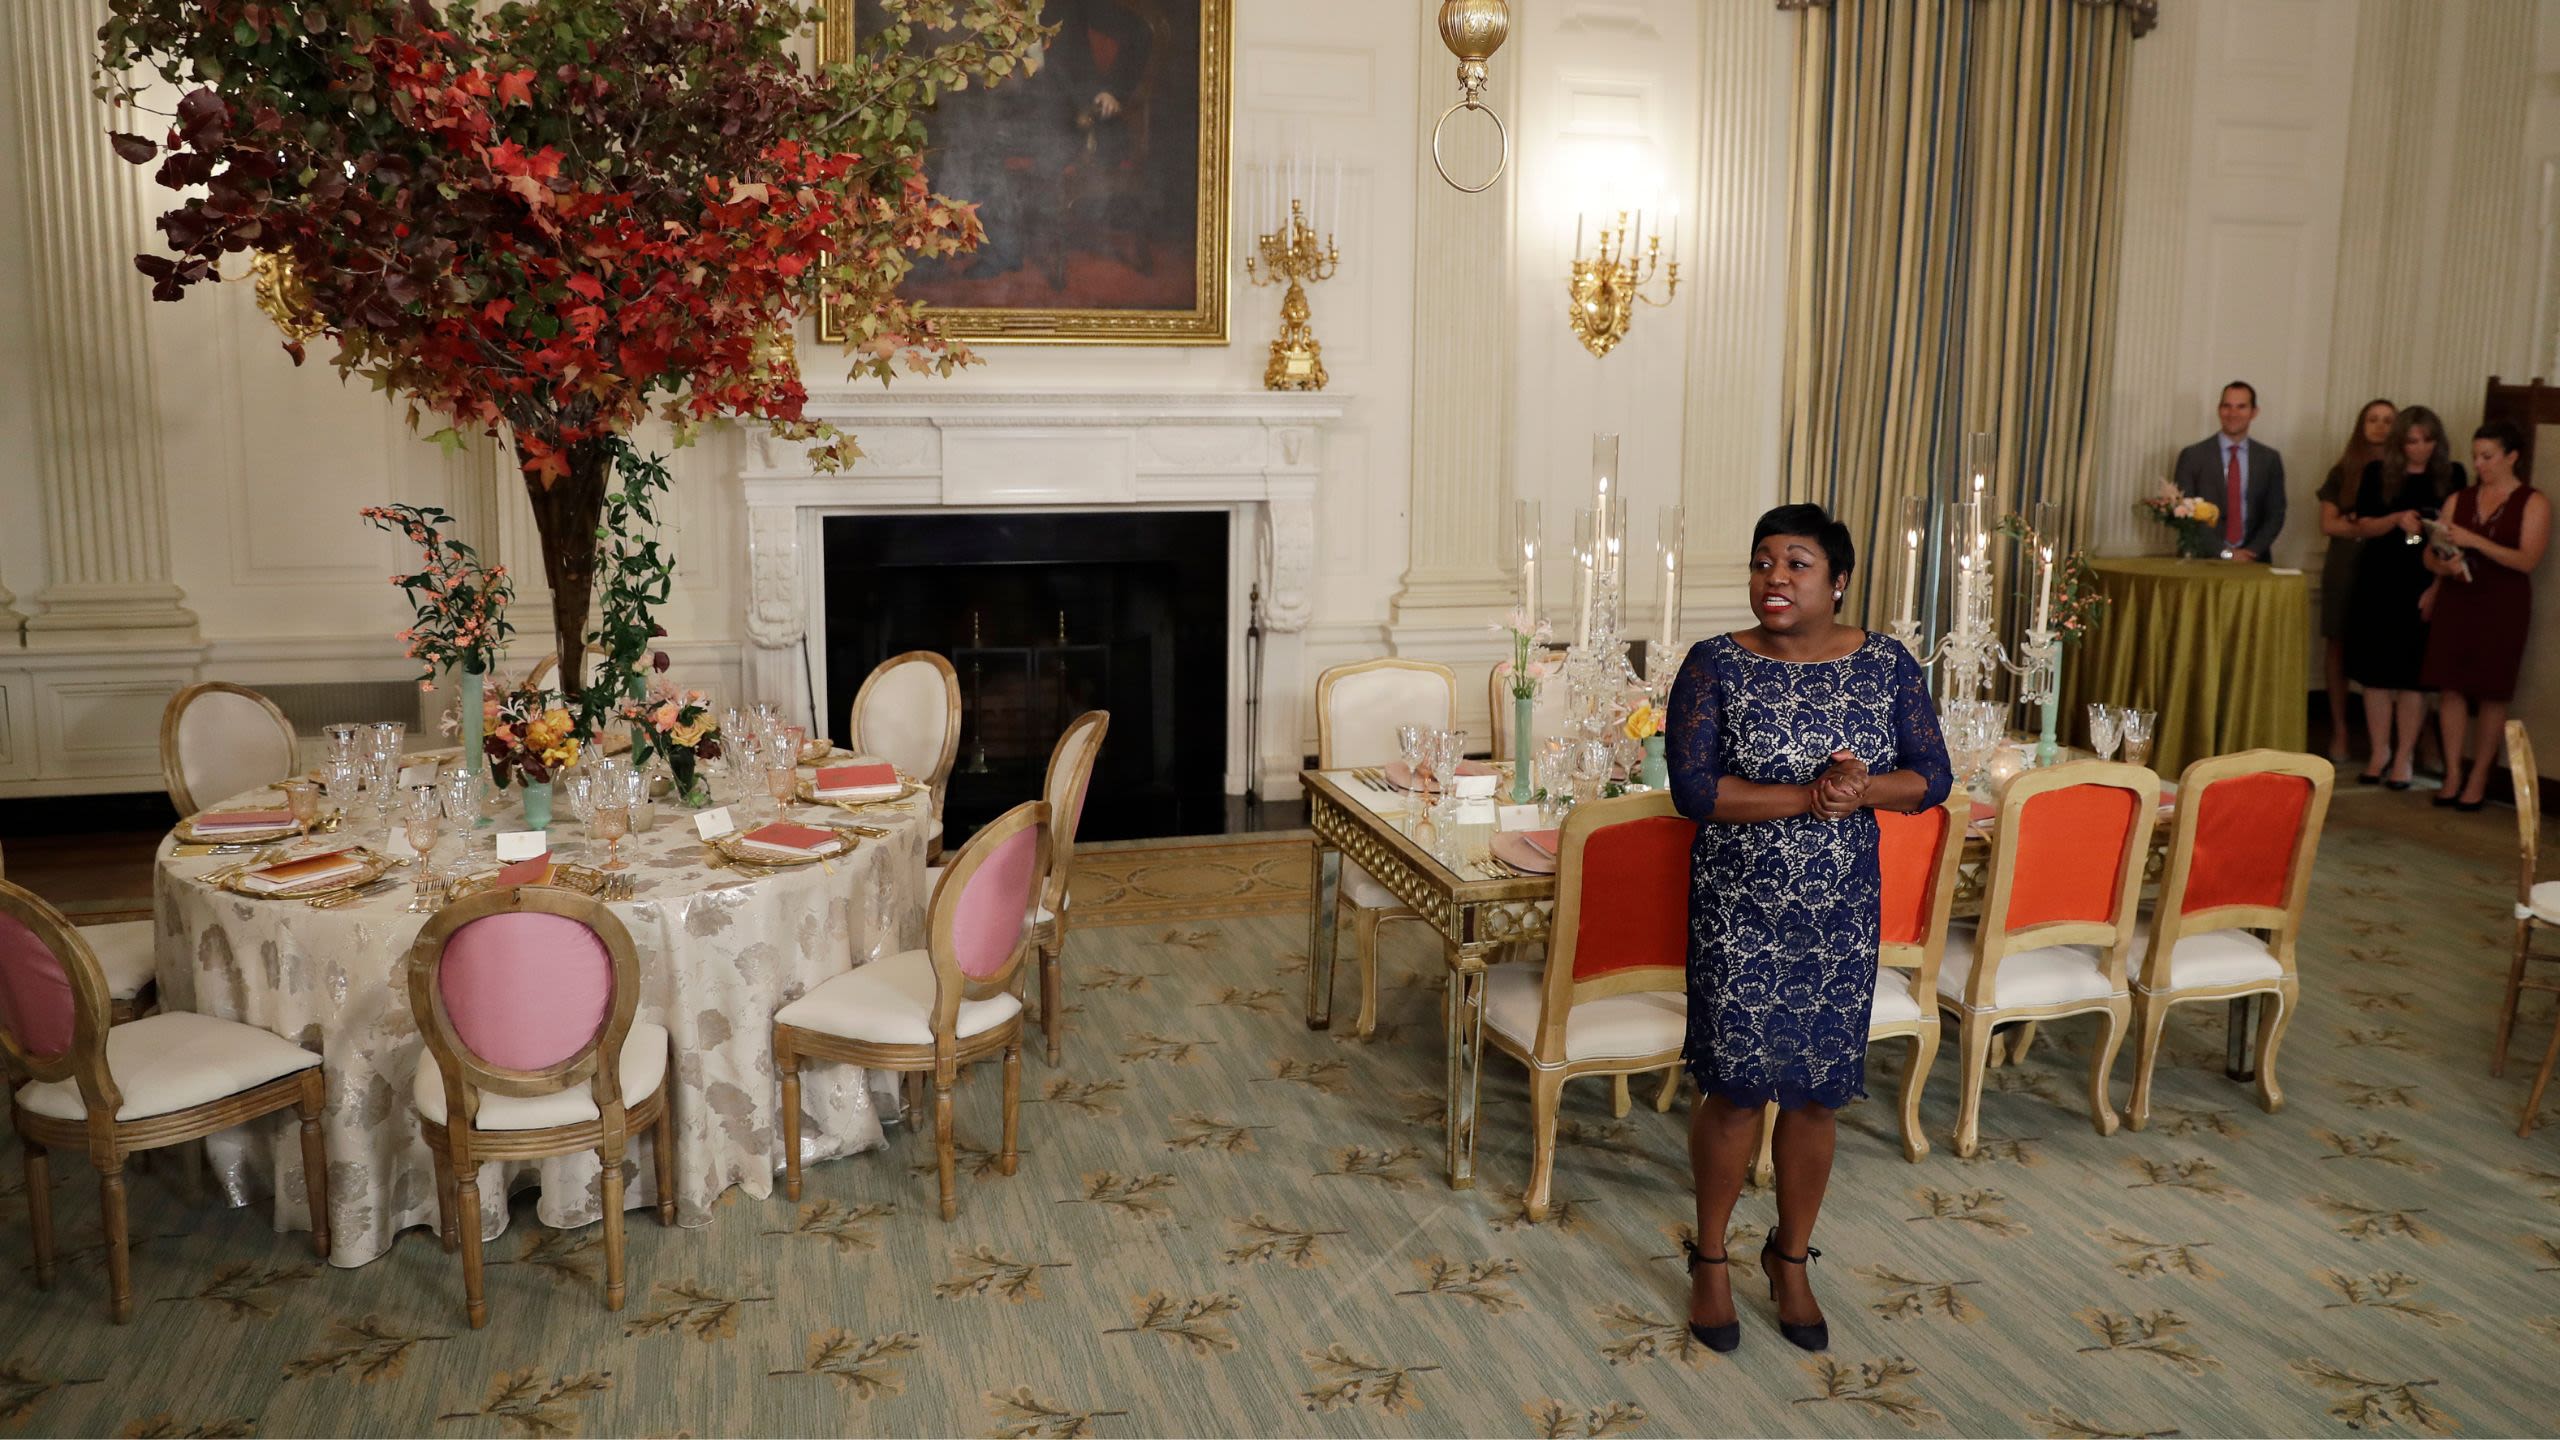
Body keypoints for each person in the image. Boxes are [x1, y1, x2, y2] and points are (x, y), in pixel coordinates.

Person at [1665, 504, 1952, 1356]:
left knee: (1818, 1093)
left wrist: (1861, 791)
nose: (1775, 578)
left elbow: (1930, 776)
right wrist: (1812, 798)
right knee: (1739, 1088)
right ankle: (1710, 1258)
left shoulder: (1885, 663)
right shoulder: (1714, 664)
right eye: (1762, 563)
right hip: (1739, 907)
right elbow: (1696, 792)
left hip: (1836, 912)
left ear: (1838, 581)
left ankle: (1790, 1256)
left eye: (1796, 563)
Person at [2421, 421, 2549, 810]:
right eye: (2476, 456)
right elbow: (2431, 552)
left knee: (2493, 691)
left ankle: (2479, 777)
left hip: (2503, 603)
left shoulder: (2533, 502)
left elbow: (2527, 559)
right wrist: (2442, 572)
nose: (2479, 464)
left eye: (2488, 457)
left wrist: (2474, 540)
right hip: (2458, 598)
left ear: (2512, 457)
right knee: (2451, 687)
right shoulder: (2459, 499)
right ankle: (2454, 773)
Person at [2344, 404, 2461, 788]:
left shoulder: (2452, 475)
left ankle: (2405, 756)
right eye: (2412, 441)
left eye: (2428, 441)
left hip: (2423, 578)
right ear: (2400, 443)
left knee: (2412, 676)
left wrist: (2437, 587)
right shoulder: (2378, 473)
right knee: (2376, 674)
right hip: (2380, 578)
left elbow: (2454, 536)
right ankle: (2380, 752)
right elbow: (2363, 523)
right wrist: (2397, 520)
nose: (2420, 448)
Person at [2316, 399, 2398, 761]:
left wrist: (2371, 524)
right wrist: (2364, 526)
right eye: (2372, 420)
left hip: (2384, 567)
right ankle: (2340, 730)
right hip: (2345, 565)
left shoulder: (2403, 471)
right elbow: (2328, 523)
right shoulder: (2344, 469)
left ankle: (2393, 738)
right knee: (2338, 645)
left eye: (2387, 421)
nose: (2379, 427)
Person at [2175, 381, 2288, 561]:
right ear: (2219, 410)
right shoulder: (2193, 456)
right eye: (2227, 406)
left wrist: (2250, 553)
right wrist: (2227, 554)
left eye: (2241, 407)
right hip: (2202, 560)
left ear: (2254, 412)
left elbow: (2275, 514)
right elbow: (2186, 514)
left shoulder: (2269, 459)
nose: (2233, 413)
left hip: (2253, 561)